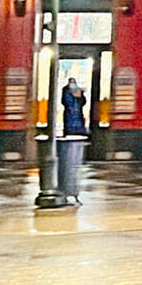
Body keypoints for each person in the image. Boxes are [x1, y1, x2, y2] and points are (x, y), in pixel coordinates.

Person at [58, 76, 88, 204]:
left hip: (78, 118)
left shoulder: (78, 93)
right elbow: (65, 102)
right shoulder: (66, 92)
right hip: (70, 118)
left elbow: (83, 103)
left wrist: (81, 95)